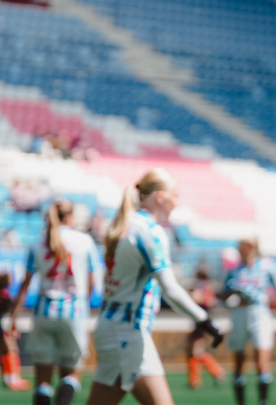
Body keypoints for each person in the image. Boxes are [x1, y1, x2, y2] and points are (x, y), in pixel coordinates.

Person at [85, 168, 223, 405]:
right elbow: (170, 288)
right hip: (128, 332)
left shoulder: (124, 225)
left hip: (115, 329)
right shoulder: (150, 230)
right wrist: (205, 320)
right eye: (175, 195)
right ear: (160, 197)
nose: (178, 202)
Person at [9, 199, 102, 405]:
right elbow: (92, 278)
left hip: (43, 311)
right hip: (74, 311)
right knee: (71, 374)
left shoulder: (37, 243)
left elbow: (25, 285)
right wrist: (85, 304)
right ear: (69, 217)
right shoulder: (84, 241)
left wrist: (13, 317)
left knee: (42, 377)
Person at [221, 236, 276, 405]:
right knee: (239, 364)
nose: (239, 250)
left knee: (262, 363)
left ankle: (263, 401)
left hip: (259, 314)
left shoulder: (268, 265)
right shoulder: (234, 269)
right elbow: (223, 293)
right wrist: (232, 293)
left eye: (242, 246)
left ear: (250, 247)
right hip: (239, 313)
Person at [187, 267, 225, 389]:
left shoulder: (201, 286)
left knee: (196, 351)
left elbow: (196, 298)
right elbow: (212, 301)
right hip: (203, 321)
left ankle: (217, 371)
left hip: (201, 321)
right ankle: (195, 380)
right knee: (193, 350)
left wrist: (185, 295)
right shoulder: (208, 286)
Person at [0, 272, 31, 391]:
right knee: (8, 347)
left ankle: (9, 378)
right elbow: (10, 305)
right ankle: (12, 379)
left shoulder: (2, 293)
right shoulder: (1, 294)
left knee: (4, 349)